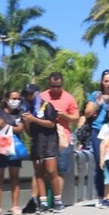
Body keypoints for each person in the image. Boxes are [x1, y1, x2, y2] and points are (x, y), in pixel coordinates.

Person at [83, 70, 109, 206]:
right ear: (102, 82)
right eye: (106, 81)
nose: (108, 84)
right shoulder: (95, 95)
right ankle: (101, 196)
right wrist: (100, 102)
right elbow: (87, 113)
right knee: (100, 163)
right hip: (98, 131)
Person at [21, 84, 64, 214]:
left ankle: (57, 201)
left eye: (31, 94)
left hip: (49, 142)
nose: (29, 96)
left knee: (51, 171)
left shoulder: (47, 106)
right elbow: (29, 133)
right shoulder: (26, 109)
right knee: (39, 173)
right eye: (27, 94)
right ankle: (43, 202)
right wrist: (26, 122)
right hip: (37, 143)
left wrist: (33, 119)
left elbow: (51, 124)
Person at [41, 72, 80, 200]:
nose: (56, 89)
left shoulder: (69, 98)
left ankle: (57, 199)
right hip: (46, 138)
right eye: (53, 86)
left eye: (58, 86)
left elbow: (76, 118)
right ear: (49, 84)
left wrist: (63, 116)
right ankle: (44, 200)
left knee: (60, 170)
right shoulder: (42, 96)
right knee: (45, 171)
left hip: (63, 139)